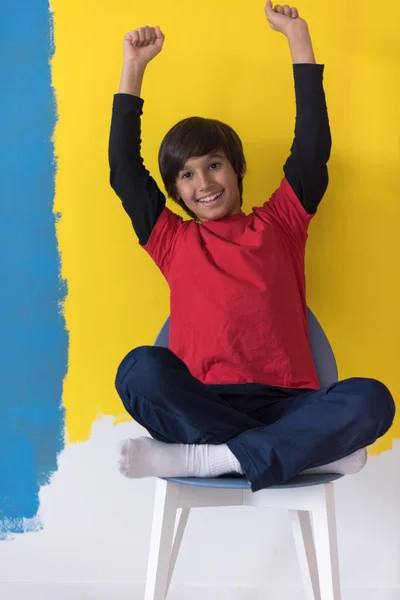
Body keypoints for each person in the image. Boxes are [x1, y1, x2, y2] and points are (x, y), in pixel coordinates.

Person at [108, 2, 395, 492]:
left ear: (237, 167)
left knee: (372, 399)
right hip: (202, 404)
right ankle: (290, 453)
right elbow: (123, 171)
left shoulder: (280, 222)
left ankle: (209, 460)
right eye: (187, 175)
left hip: (287, 402)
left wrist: (297, 38)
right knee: (139, 368)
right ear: (176, 191)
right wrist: (132, 69)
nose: (204, 183)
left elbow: (312, 146)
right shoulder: (172, 239)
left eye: (214, 165)